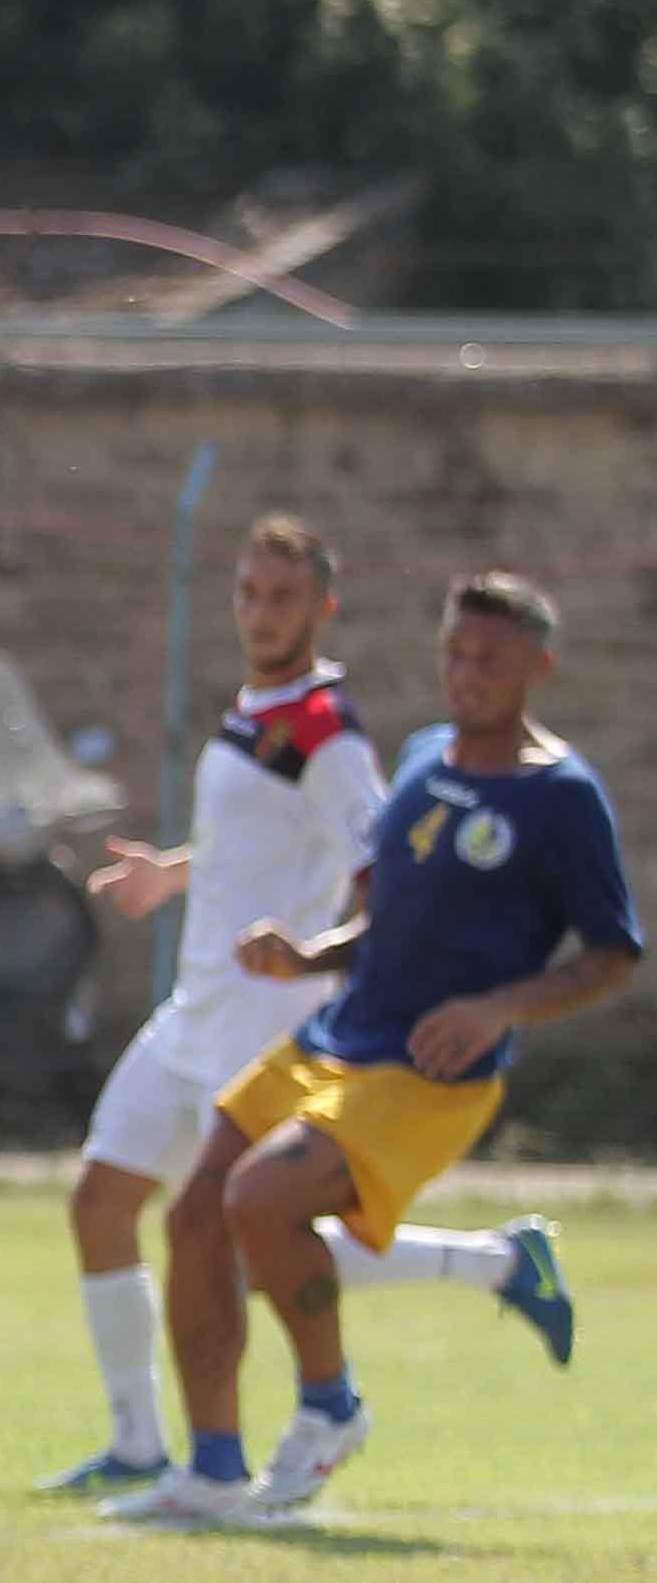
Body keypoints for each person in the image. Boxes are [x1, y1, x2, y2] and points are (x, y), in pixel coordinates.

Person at [45, 516, 571, 1494]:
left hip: (266, 1020)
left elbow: (382, 867)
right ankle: (135, 1444)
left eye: (283, 596)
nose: (261, 613)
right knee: (101, 1203)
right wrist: (173, 874)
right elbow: (254, 844)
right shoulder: (257, 713)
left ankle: (494, 1269)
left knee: (242, 1239)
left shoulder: (326, 731)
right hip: (195, 1007)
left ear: (324, 607)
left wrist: (335, 962)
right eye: (249, 592)